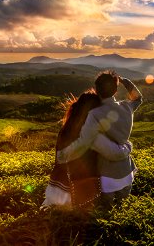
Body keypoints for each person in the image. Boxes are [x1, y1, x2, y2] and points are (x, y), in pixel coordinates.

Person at [57, 71, 142, 209]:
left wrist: (64, 154)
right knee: (123, 210)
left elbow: (84, 142)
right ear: (115, 91)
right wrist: (123, 80)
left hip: (108, 174)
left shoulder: (95, 114)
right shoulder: (127, 107)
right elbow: (138, 98)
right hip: (127, 170)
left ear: (96, 90)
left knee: (106, 212)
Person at [41, 89, 132, 209]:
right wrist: (128, 145)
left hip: (57, 187)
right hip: (80, 190)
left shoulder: (67, 128)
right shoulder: (89, 134)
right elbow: (115, 153)